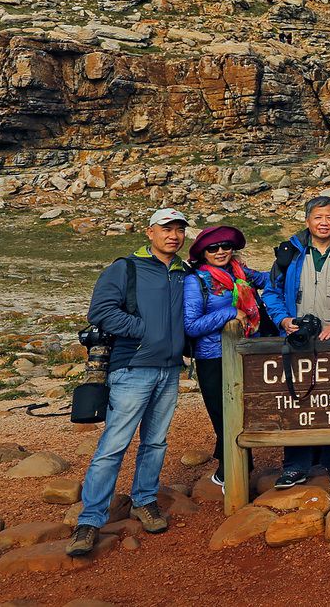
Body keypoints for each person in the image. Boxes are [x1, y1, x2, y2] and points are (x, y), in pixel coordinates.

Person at [67, 208, 190, 557]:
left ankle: (145, 500)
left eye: (179, 230)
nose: (174, 236)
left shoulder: (183, 272)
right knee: (114, 445)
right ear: (150, 232)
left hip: (169, 370)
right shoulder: (126, 268)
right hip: (132, 368)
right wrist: (145, 330)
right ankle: (90, 519)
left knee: (156, 442)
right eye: (166, 229)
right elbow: (101, 311)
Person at [261, 195, 330, 489]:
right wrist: (283, 320)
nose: (324, 223)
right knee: (296, 399)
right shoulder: (290, 253)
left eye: (329, 217)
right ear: (307, 221)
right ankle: (296, 465)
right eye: (318, 217)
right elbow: (272, 292)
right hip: (297, 338)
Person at [183, 225, 270, 492]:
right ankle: (232, 471)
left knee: (246, 412)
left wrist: (287, 266)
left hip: (247, 353)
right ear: (203, 253)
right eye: (213, 248)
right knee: (223, 415)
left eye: (226, 246)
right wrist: (230, 313)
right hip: (213, 357)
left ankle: (232, 470)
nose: (220, 251)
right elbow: (191, 325)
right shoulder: (196, 281)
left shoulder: (241, 273)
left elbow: (270, 281)